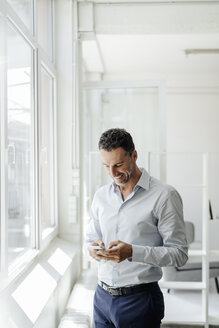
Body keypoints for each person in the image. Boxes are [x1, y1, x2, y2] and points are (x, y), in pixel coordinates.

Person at [85, 128, 188, 328]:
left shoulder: (164, 196)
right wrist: (93, 248)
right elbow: (89, 240)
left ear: (134, 155)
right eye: (106, 166)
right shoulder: (100, 196)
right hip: (101, 299)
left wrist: (132, 252)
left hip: (139, 301)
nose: (113, 173)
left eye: (118, 164)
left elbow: (179, 254)